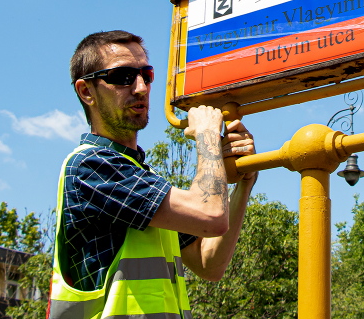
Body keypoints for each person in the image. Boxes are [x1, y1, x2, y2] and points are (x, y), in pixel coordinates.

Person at [48, 30, 257, 319]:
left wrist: (245, 183)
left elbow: (208, 263)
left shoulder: (142, 177)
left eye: (146, 75)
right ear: (86, 91)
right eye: (122, 76)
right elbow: (211, 215)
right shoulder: (91, 165)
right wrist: (207, 134)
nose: (141, 88)